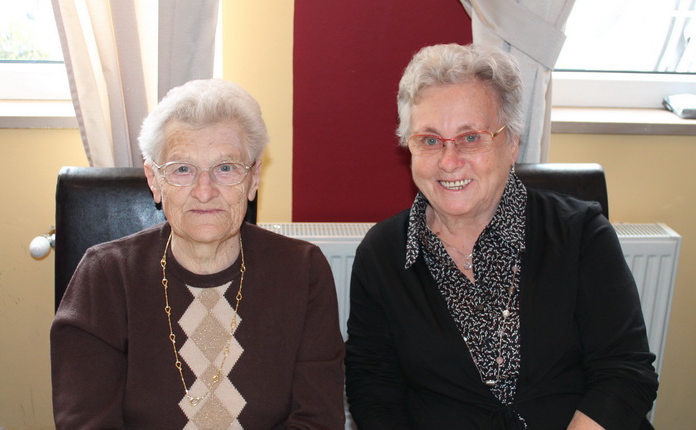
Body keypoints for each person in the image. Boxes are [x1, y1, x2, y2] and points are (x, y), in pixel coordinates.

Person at [344, 44, 658, 430]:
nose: (448, 161)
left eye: (470, 137)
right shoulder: (382, 255)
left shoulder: (580, 233)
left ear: (511, 144)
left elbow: (625, 373)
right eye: (429, 140)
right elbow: (374, 390)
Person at [51, 78, 345, 429]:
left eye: (225, 168)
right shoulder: (105, 276)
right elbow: (87, 422)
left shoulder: (302, 271)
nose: (204, 192)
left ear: (253, 178)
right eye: (182, 169)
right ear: (154, 180)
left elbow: (318, 418)